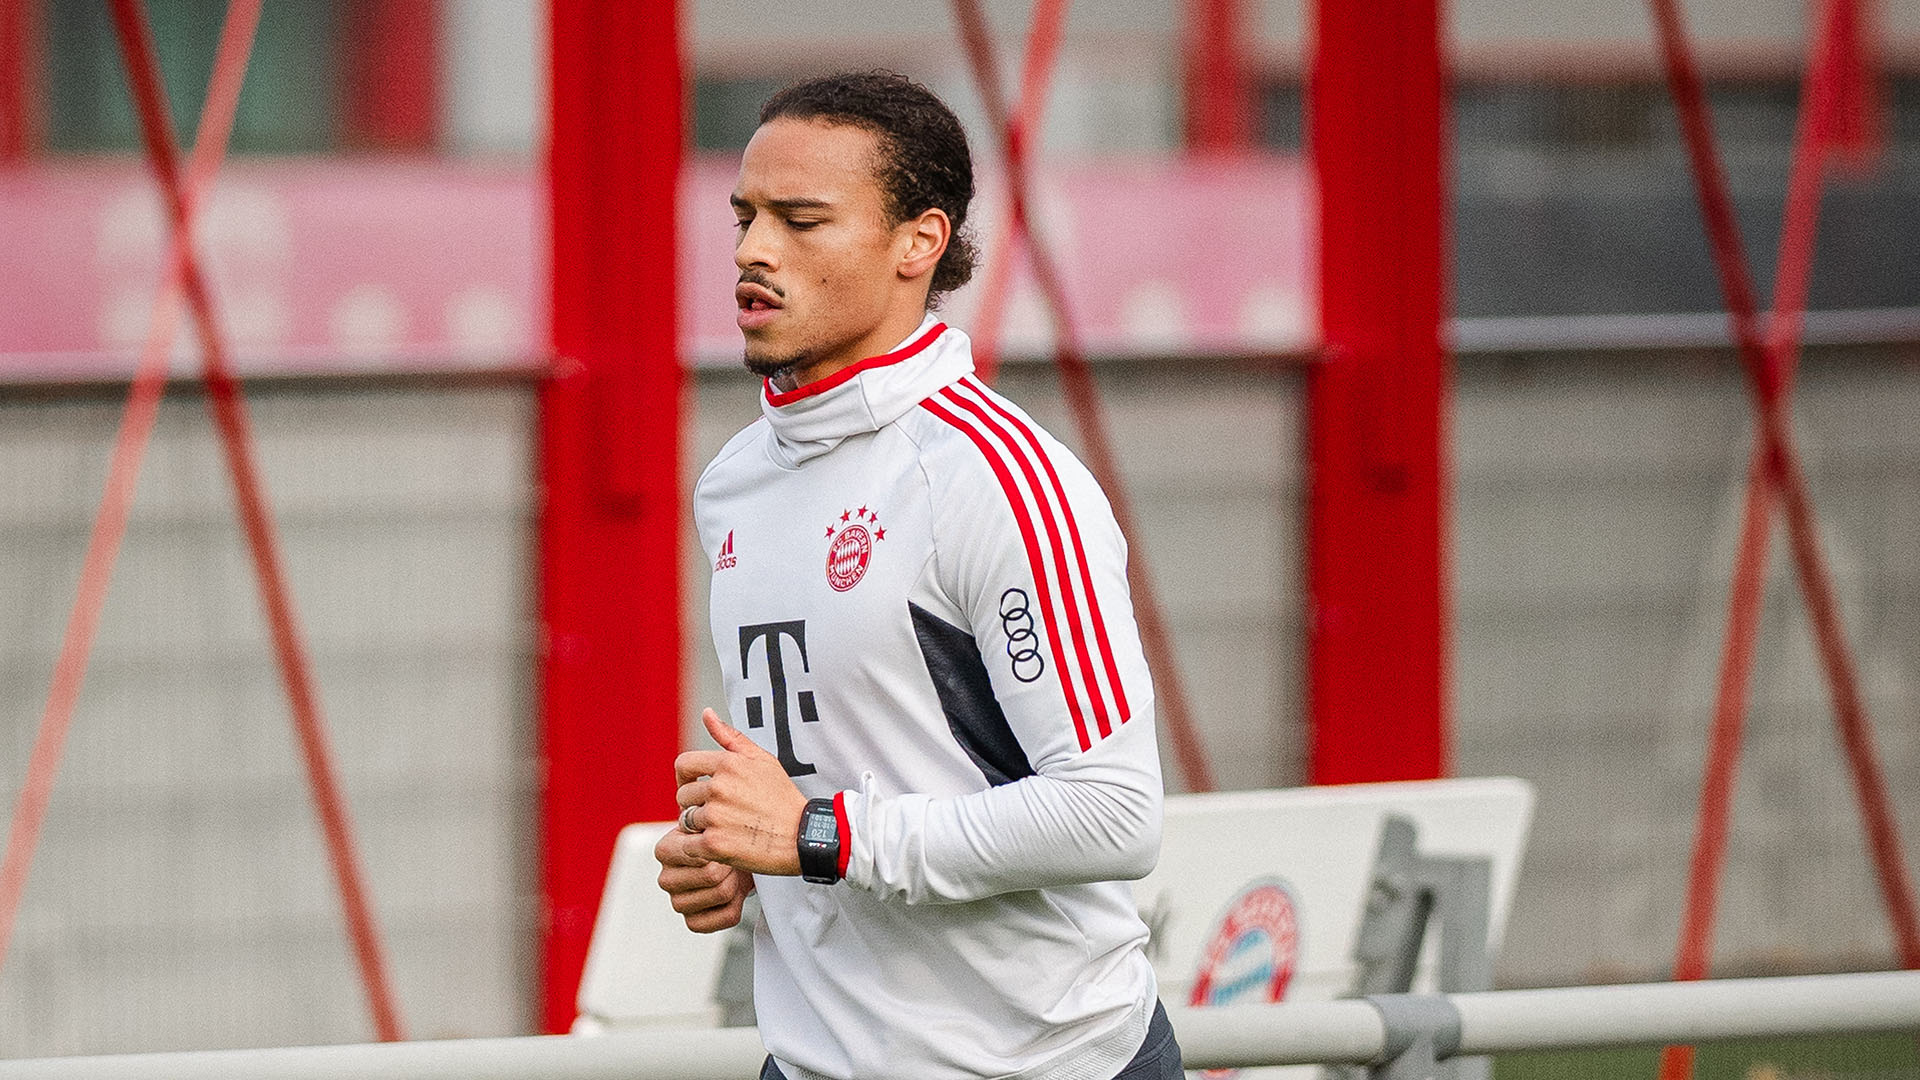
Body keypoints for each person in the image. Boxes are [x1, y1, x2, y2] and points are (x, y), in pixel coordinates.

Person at [654, 70, 1182, 1080]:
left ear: (919, 244)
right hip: (817, 1062)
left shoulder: (994, 479)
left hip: (1040, 1064)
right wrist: (744, 861)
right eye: (747, 217)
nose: (755, 252)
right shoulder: (733, 483)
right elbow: (864, 778)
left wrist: (814, 834)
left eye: (803, 220)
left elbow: (1112, 812)